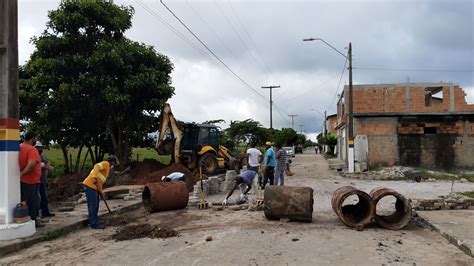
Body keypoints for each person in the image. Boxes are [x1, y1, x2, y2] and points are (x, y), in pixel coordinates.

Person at [82, 155, 117, 229]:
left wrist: (101, 192)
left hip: (94, 186)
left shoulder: (107, 169)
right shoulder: (106, 163)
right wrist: (94, 177)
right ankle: (94, 224)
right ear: (112, 162)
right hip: (90, 185)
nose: (113, 166)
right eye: (114, 163)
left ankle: (94, 220)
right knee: (93, 205)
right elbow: (96, 166)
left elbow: (99, 183)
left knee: (96, 204)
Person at [19, 132, 44, 227]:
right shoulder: (32, 150)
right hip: (31, 181)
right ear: (33, 139)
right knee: (33, 203)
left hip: (23, 181)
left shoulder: (20, 147)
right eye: (35, 139)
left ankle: (27, 219)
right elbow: (32, 164)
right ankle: (33, 221)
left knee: (24, 201)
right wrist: (23, 173)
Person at [35, 141, 55, 218]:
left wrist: (48, 167)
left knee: (44, 196)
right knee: (38, 197)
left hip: (43, 179)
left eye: (41, 148)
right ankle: (37, 214)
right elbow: (40, 165)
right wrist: (47, 167)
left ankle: (45, 212)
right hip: (37, 180)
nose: (40, 149)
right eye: (39, 148)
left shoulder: (42, 155)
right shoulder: (34, 155)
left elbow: (46, 163)